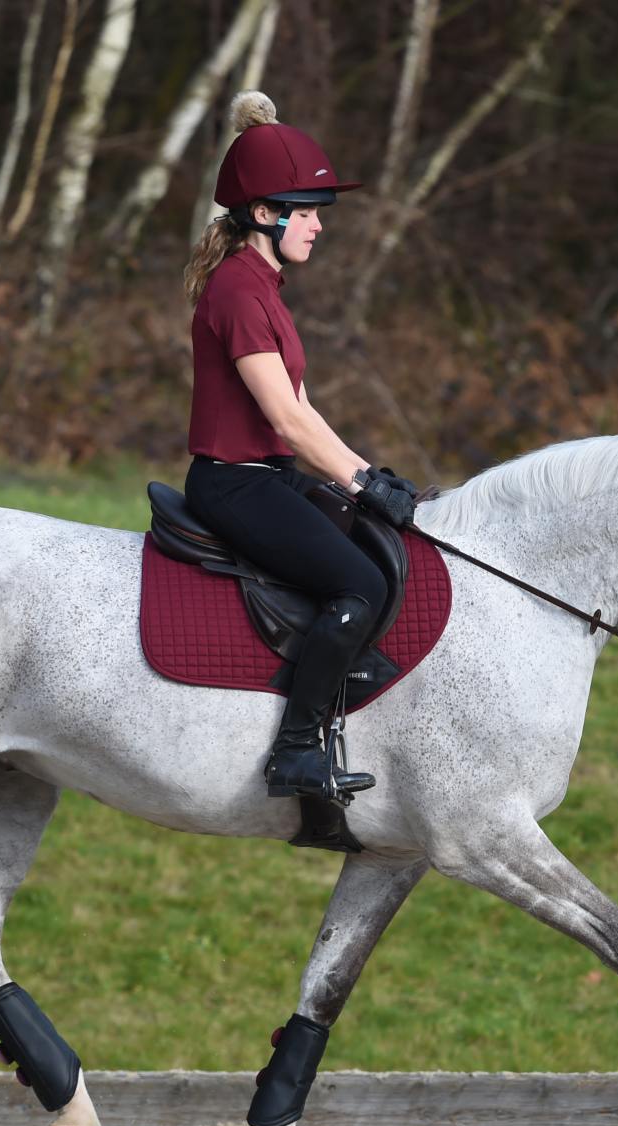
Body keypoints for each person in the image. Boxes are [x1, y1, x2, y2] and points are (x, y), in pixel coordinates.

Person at [182, 90, 416, 802]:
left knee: (375, 546)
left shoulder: (265, 288)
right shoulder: (240, 293)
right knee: (361, 584)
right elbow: (284, 416)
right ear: (264, 214)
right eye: (307, 213)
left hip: (270, 476)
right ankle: (293, 753)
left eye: (318, 215)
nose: (318, 227)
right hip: (236, 484)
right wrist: (361, 477)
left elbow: (303, 411)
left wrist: (359, 479)